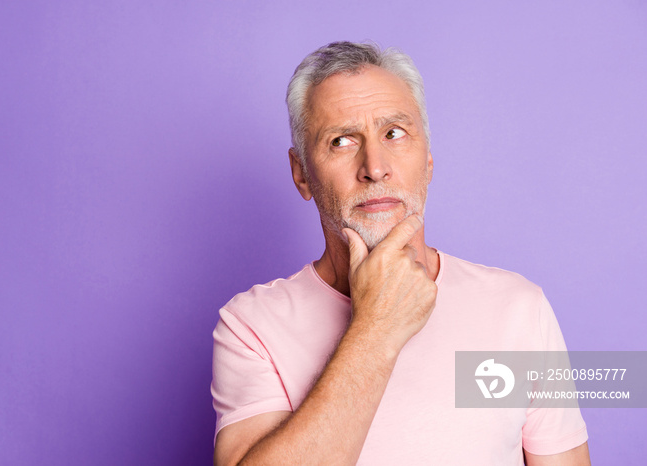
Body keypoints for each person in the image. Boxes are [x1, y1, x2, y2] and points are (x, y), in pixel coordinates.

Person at [211, 41, 590, 465]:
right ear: (302, 174)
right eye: (341, 141)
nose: (374, 166)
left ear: (427, 160)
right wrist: (375, 328)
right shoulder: (250, 327)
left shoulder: (520, 307)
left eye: (394, 133)